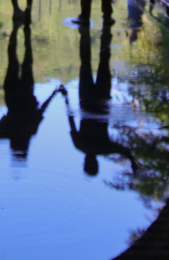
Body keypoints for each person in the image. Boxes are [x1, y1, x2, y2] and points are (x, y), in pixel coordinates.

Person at [59, 27, 137, 177]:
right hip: (86, 98)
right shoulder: (80, 145)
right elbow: (70, 117)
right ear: (85, 163)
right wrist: (65, 96)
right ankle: (85, 32)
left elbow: (126, 151)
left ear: (96, 163)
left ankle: (105, 30)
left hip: (101, 98)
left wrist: (133, 162)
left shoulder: (104, 148)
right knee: (85, 62)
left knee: (104, 61)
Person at [0, 25, 64, 159]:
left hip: (25, 91)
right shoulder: (9, 133)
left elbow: (42, 110)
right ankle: (17, 31)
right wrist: (54, 93)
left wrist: (55, 93)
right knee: (13, 59)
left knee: (27, 61)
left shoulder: (28, 130)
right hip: (12, 92)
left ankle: (24, 34)